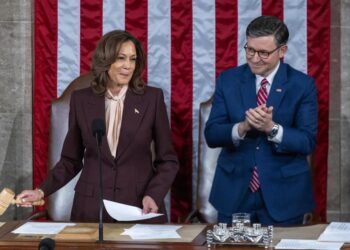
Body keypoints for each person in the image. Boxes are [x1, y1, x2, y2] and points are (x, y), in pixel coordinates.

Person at [17, 30, 179, 223]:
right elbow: (70, 160)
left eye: (133, 59)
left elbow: (168, 161)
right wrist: (40, 191)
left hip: (139, 208)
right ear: (105, 59)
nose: (128, 66)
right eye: (121, 58)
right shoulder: (81, 100)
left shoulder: (152, 99)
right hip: (92, 209)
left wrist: (154, 194)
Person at [205, 16, 317, 226]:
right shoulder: (228, 80)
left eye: (264, 53)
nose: (255, 59)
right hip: (234, 193)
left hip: (284, 196)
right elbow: (212, 134)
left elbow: (307, 142)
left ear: (282, 51)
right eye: (250, 50)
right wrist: (242, 127)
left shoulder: (302, 85)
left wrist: (271, 128)